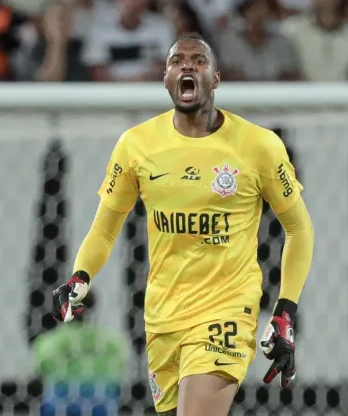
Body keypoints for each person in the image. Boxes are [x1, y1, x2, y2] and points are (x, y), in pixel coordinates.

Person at [51, 32, 314, 416]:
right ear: (166, 78)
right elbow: (106, 228)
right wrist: (80, 275)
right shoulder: (137, 145)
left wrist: (285, 310)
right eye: (176, 61)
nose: (186, 65)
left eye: (198, 60)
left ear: (216, 79)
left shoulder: (258, 146)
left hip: (226, 310)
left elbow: (299, 229)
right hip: (162, 315)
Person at [34, 291, 128, 416]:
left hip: (60, 407)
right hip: (100, 406)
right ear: (93, 305)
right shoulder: (112, 343)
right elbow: (118, 374)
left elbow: (40, 372)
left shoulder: (48, 343)